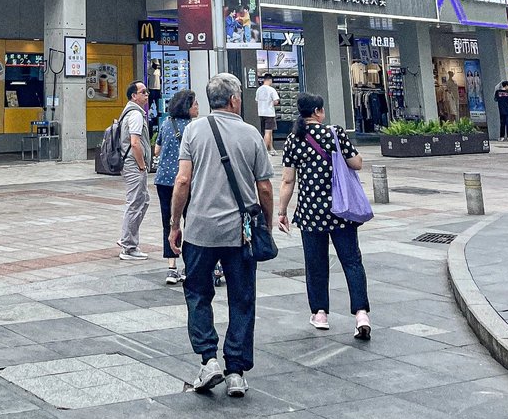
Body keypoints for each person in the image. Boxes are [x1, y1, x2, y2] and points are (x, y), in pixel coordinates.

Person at [169, 72, 273, 399]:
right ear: (234, 100)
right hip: (240, 234)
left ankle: (208, 359)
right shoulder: (251, 133)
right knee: (242, 298)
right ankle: (237, 371)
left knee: (198, 294)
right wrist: (266, 225)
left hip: (199, 230)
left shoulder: (193, 130)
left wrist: (175, 224)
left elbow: (182, 181)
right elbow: (265, 187)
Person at [278, 94, 371, 340]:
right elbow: (357, 163)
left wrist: (281, 211)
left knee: (315, 264)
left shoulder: (293, 139)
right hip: (342, 211)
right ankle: (361, 313)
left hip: (310, 213)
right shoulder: (334, 133)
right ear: (318, 111)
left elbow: (288, 180)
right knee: (351, 261)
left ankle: (320, 313)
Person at [154, 88, 198, 285]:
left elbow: (157, 150)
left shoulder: (166, 123)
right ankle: (190, 265)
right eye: (195, 104)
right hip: (185, 180)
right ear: (187, 107)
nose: (198, 107)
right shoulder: (193, 128)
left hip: (163, 180)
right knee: (192, 221)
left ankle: (171, 267)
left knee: (169, 222)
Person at [118, 80, 151, 262]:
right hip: (134, 165)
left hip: (130, 164)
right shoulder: (136, 115)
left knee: (143, 200)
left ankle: (126, 236)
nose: (147, 95)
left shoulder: (129, 112)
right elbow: (135, 143)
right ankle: (128, 247)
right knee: (135, 203)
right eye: (143, 92)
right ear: (134, 96)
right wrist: (142, 166)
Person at [255, 74, 281, 153]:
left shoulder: (259, 89)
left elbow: (256, 100)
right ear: (270, 80)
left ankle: (271, 149)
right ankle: (264, 151)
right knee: (268, 132)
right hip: (269, 113)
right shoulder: (271, 89)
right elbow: (276, 101)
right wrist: (271, 103)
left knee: (267, 132)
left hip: (261, 113)